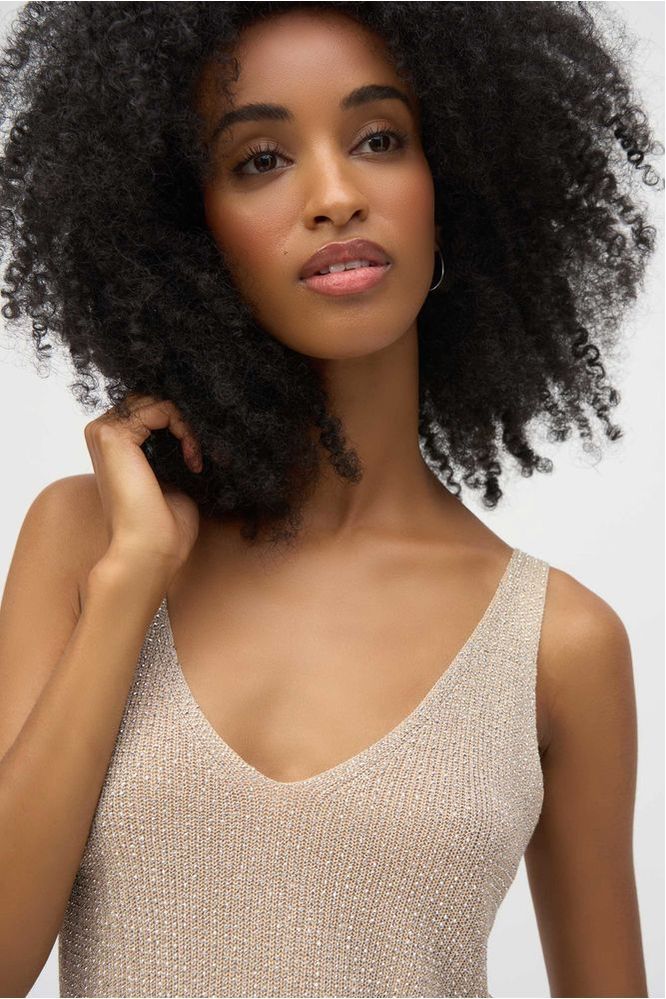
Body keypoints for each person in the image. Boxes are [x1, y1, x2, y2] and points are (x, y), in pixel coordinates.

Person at [0, 2, 659, 996]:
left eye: (379, 139)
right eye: (261, 159)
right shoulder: (88, 541)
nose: (337, 196)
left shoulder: (558, 645)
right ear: (188, 228)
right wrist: (130, 581)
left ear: (454, 184)